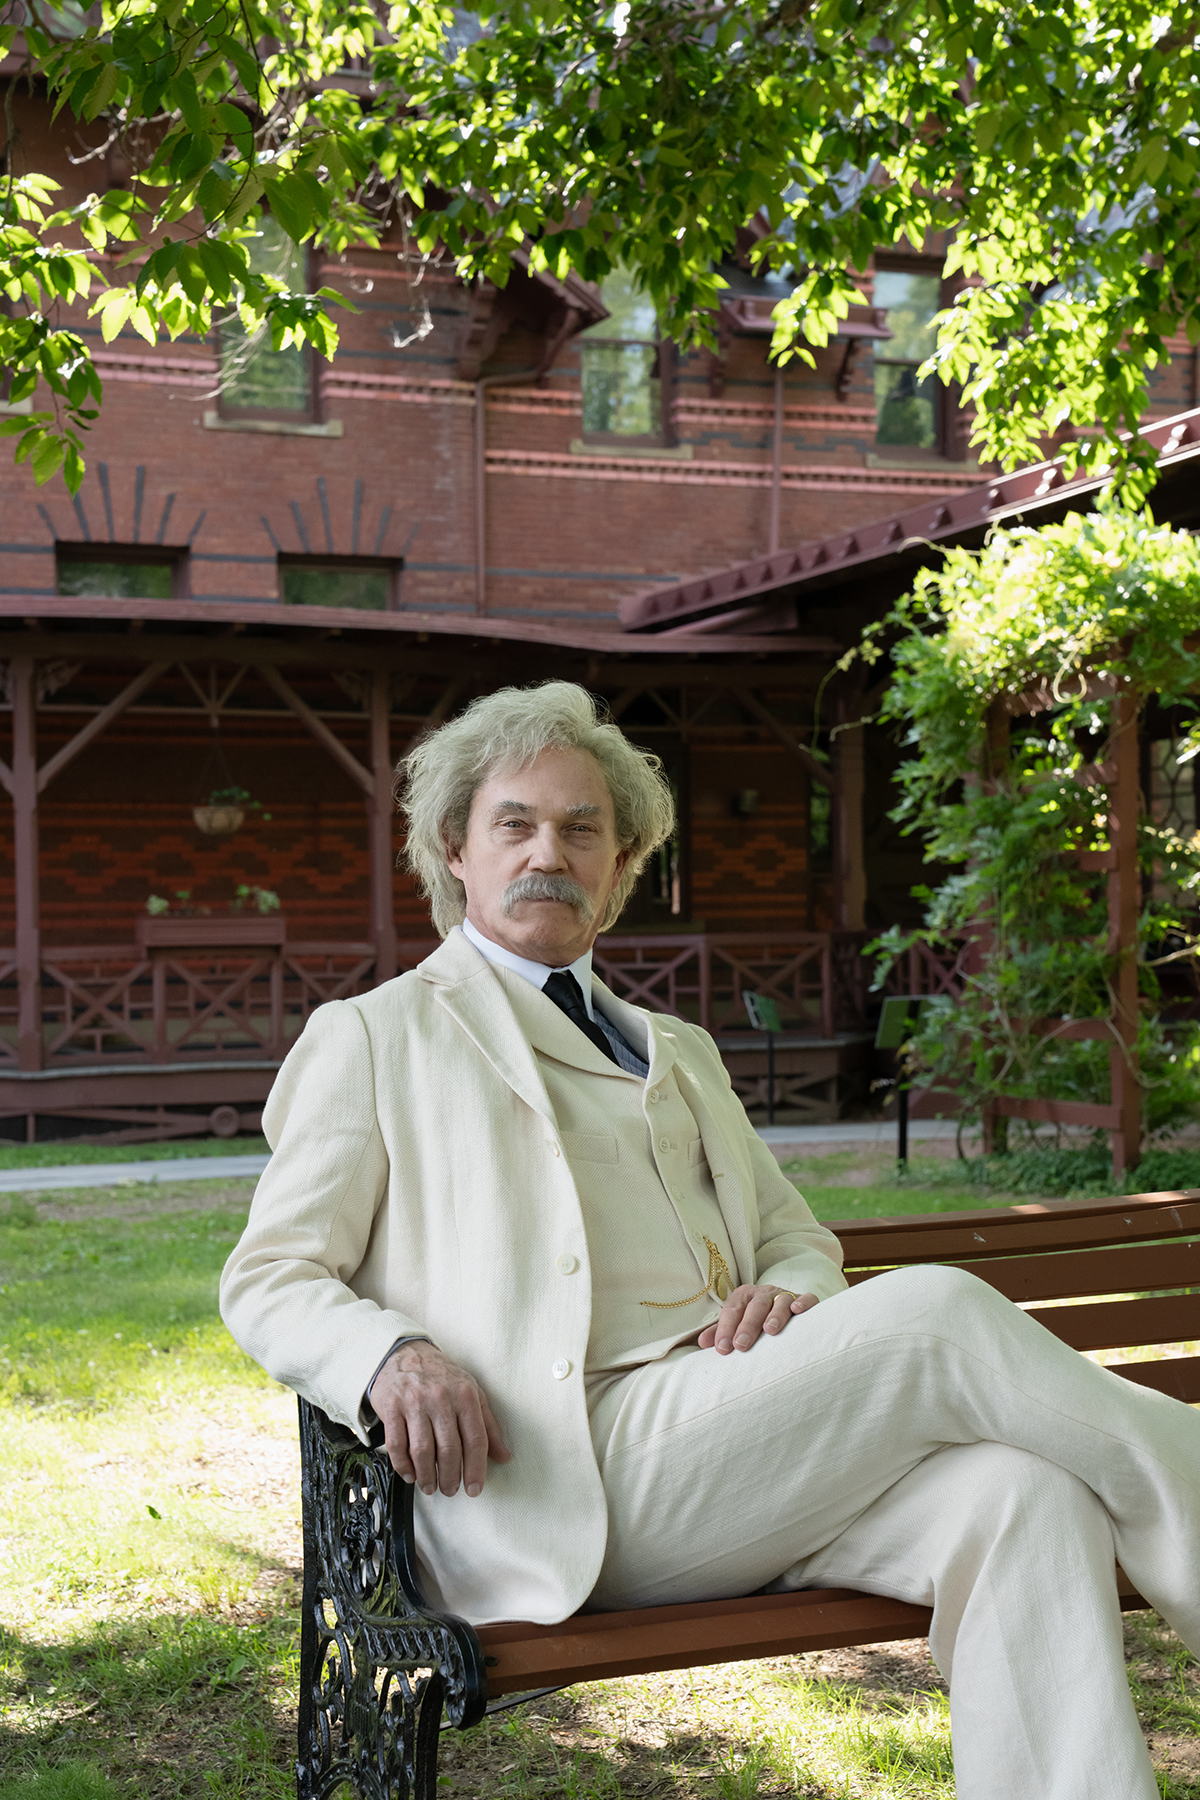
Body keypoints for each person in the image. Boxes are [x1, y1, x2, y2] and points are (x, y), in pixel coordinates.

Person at [221, 679, 1200, 1800]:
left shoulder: (677, 1047)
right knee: (933, 1314)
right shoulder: (374, 1037)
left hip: (741, 1438)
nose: (552, 849)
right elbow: (270, 1277)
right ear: (456, 849)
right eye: (516, 823)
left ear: (621, 864)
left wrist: (788, 1285)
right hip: (566, 1471)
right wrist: (390, 1356)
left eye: (583, 827)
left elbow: (795, 1235)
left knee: (1028, 1498)